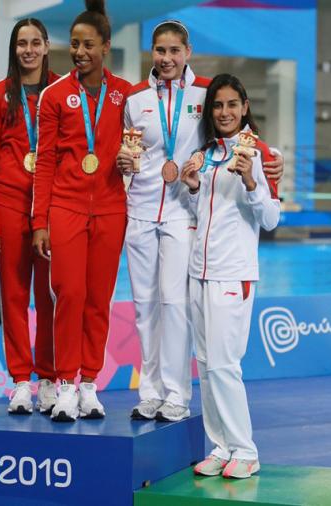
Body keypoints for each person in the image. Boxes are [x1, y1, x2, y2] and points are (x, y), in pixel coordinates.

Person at [117, 21, 285, 423]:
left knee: (174, 305)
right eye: (160, 50)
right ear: (151, 52)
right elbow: (126, 149)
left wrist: (270, 154)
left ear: (187, 51)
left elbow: (237, 130)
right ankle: (151, 391)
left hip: (183, 212)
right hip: (140, 210)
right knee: (144, 308)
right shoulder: (136, 98)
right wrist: (122, 163)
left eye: (175, 50)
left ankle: (176, 393)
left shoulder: (206, 92)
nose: (167, 58)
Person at [32, 0, 131, 422]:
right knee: (68, 295)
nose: (79, 52)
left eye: (88, 44)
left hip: (110, 210)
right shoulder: (54, 96)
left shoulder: (126, 94)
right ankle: (65, 383)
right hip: (67, 209)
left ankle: (90, 384)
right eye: (74, 44)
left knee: (98, 300)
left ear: (106, 46)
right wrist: (40, 221)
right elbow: (46, 161)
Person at [179, 73, 280, 479]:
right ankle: (221, 447)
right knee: (205, 365)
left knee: (224, 365)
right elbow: (201, 217)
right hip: (199, 274)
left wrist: (253, 181)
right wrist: (190, 189)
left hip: (232, 275)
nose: (224, 112)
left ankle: (246, 450)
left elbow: (271, 220)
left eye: (231, 105)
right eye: (217, 106)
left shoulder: (259, 153)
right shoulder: (206, 154)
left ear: (245, 107)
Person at [0, 19, 60, 415]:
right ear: (14, 50)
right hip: (9, 209)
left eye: (34, 43)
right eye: (21, 44)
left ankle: (48, 378)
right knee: (13, 298)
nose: (28, 50)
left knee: (48, 298)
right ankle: (20, 381)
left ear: (46, 46)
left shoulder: (63, 91)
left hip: (51, 211)